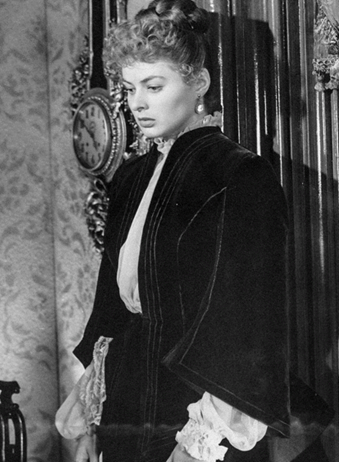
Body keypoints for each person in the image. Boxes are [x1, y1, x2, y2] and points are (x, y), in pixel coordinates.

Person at [56, 1, 291, 461]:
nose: (138, 103)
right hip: (126, 401)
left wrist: (199, 443)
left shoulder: (238, 174)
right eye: (130, 88)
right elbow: (110, 314)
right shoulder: (131, 177)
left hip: (194, 407)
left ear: (198, 83)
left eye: (154, 86)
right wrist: (92, 421)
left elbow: (246, 327)